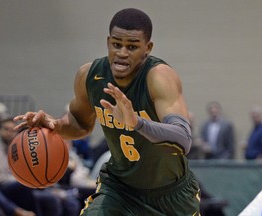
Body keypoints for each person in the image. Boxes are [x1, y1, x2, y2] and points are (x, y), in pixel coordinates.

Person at [14, 8, 201, 216]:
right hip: (119, 190)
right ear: (108, 42)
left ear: (147, 48)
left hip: (170, 194)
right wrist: (56, 126)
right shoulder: (89, 76)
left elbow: (183, 138)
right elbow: (80, 124)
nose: (122, 52)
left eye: (132, 46)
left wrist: (136, 122)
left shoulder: (158, 77)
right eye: (116, 44)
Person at [0, 117, 63, 216]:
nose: (10, 132)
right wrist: (16, 179)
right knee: (23, 185)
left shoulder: (18, 145)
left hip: (19, 187)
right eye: (6, 129)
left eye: (12, 130)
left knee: (50, 199)